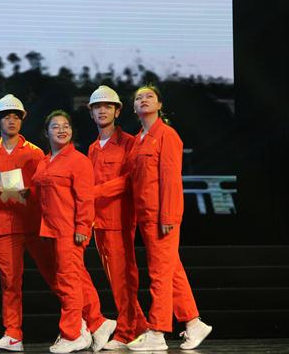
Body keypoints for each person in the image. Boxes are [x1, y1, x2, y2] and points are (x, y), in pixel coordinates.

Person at [116, 85, 212, 351]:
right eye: (138, 98)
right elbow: (130, 181)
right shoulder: (138, 140)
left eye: (149, 96)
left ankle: (157, 332)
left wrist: (167, 215)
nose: (143, 100)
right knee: (172, 271)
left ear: (159, 105)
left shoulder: (167, 135)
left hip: (162, 217)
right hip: (146, 217)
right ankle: (194, 323)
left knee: (159, 274)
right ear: (134, 108)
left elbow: (170, 179)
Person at [0, 94, 58, 352]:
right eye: (6, 117)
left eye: (15, 117)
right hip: (5, 228)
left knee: (57, 275)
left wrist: (29, 192)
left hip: (34, 224)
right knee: (10, 283)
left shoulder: (35, 153)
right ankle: (13, 335)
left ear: (21, 121)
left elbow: (46, 188)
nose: (11, 121)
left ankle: (79, 324)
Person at [32, 110, 115, 354]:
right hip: (51, 230)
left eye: (66, 125)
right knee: (76, 278)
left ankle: (73, 334)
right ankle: (98, 322)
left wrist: (82, 227)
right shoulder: (44, 161)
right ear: (46, 132)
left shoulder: (79, 161)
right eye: (55, 126)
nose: (62, 130)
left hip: (69, 230)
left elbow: (85, 198)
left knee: (68, 280)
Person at [86, 85, 147, 350]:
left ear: (117, 111)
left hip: (119, 220)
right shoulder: (92, 148)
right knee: (115, 279)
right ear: (91, 112)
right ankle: (140, 327)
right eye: (97, 107)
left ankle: (125, 332)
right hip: (98, 222)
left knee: (123, 279)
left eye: (107, 106)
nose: (102, 110)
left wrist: (94, 192)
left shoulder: (130, 143)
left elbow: (130, 180)